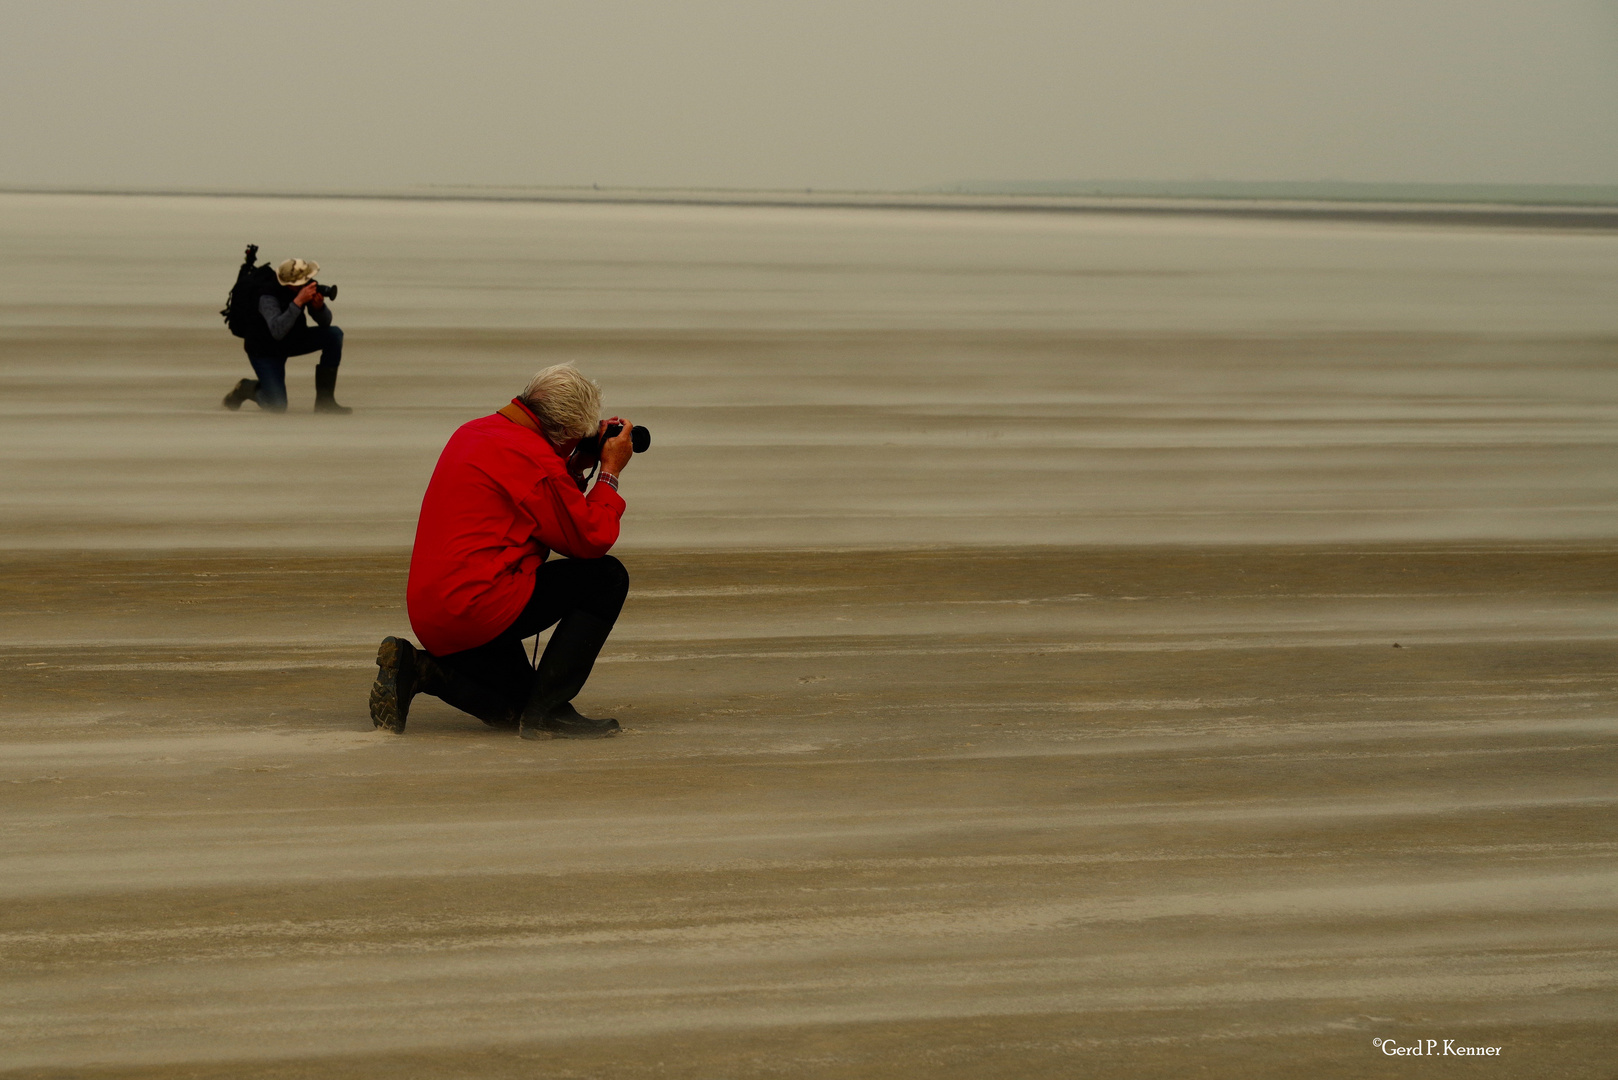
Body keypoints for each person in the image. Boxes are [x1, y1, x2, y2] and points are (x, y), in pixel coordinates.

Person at [369, 363, 635, 739]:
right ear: (561, 431)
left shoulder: (475, 431)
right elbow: (590, 540)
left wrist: (573, 466)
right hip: (480, 607)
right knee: (607, 578)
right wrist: (608, 472)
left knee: (515, 709)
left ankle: (420, 669)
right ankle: (551, 711)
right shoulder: (535, 459)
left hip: (435, 613)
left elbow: (541, 502)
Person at [222, 257, 350, 414]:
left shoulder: (301, 289)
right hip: (265, 350)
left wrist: (319, 308)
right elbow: (277, 331)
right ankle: (246, 388)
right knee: (277, 406)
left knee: (334, 335)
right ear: (292, 285)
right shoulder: (267, 297)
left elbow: (326, 322)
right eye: (304, 280)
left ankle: (325, 402)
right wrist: (297, 302)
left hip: (293, 339)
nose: (308, 282)